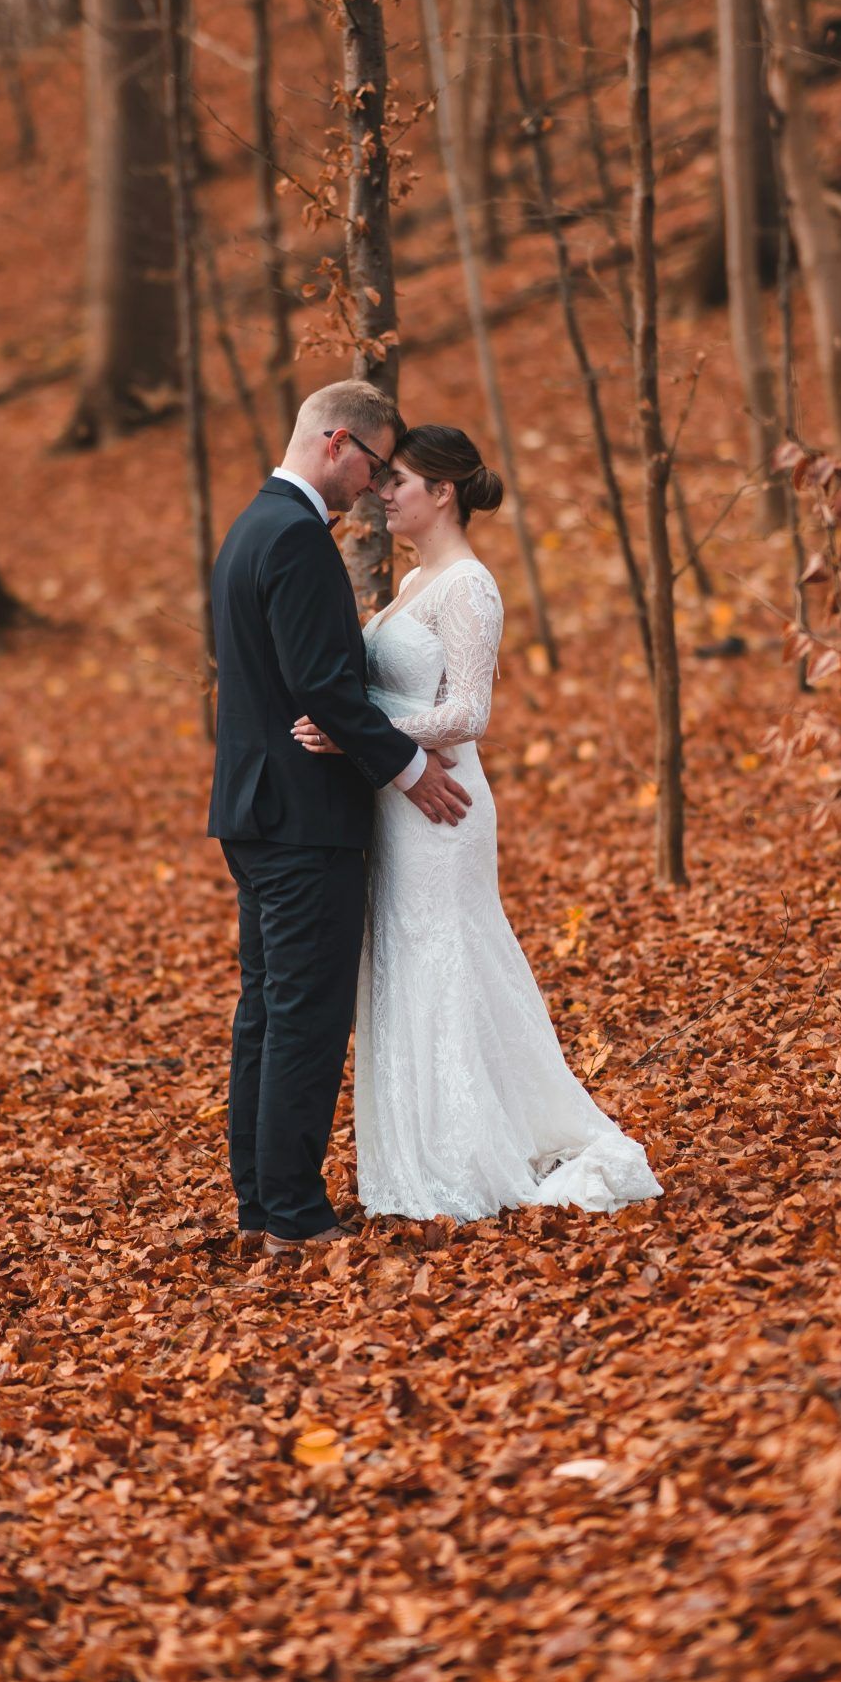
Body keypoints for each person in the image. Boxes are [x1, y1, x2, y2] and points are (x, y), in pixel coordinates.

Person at [295, 423, 663, 1222]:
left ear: (442, 493)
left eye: (398, 482)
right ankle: (423, 1148)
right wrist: (361, 728)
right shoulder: (411, 584)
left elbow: (468, 712)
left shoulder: (468, 584)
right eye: (382, 479)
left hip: (445, 807)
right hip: (399, 801)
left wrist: (358, 727)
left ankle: (469, 1153)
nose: (382, 494)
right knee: (405, 955)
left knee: (445, 954)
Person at [207, 383, 471, 1256]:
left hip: (254, 810)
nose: (371, 485)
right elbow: (323, 681)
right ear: (334, 441)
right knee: (307, 1015)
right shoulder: (293, 539)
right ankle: (294, 1213)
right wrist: (404, 770)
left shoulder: (249, 528)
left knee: (268, 1010)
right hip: (303, 819)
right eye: (370, 462)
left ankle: (259, 1202)